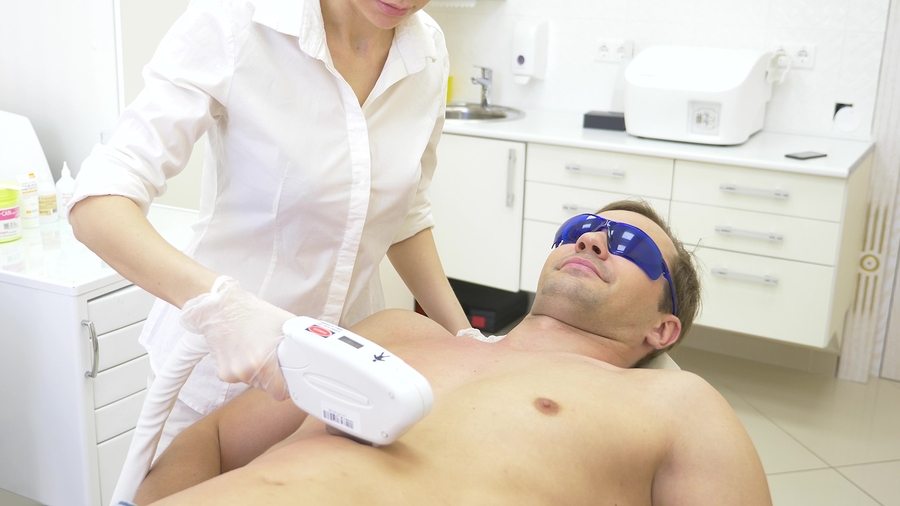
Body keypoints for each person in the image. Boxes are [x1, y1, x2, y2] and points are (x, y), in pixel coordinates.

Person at [132, 199, 772, 506]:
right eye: (580, 231)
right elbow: (211, 442)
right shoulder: (392, 333)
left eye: (629, 245)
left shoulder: (676, 403)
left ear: (663, 330)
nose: (595, 243)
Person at [68, 0, 470, 455]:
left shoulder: (427, 50)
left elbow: (407, 213)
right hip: (220, 376)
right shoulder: (237, 21)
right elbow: (98, 200)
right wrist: (220, 306)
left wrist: (467, 341)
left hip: (342, 383)